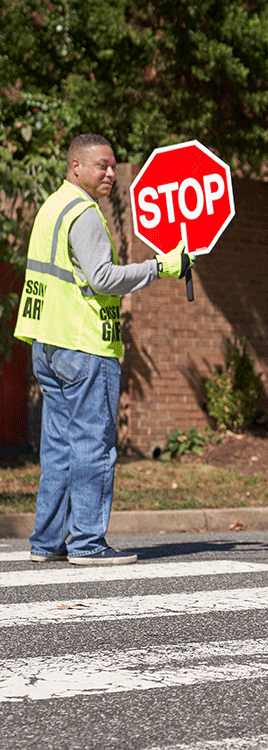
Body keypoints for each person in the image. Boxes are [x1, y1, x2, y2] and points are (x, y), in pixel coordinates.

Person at [14, 134, 193, 565]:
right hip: (85, 345)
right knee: (93, 446)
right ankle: (88, 543)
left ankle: (47, 542)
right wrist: (161, 266)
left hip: (48, 344)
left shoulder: (52, 207)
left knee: (58, 447)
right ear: (76, 166)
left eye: (114, 166)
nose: (111, 173)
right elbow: (102, 278)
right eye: (102, 166)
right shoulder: (85, 213)